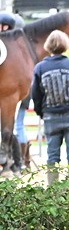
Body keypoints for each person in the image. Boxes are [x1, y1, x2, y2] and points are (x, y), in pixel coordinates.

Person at [31, 30, 69, 181]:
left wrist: (41, 112)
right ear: (66, 45)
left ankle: (53, 189)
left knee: (52, 155)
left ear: (48, 46)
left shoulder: (40, 68)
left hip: (51, 116)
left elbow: (36, 95)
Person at [0, 12, 32, 172]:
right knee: (14, 127)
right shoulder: (20, 46)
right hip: (18, 93)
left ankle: (18, 162)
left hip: (16, 95)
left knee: (13, 127)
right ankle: (18, 163)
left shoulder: (10, 47)